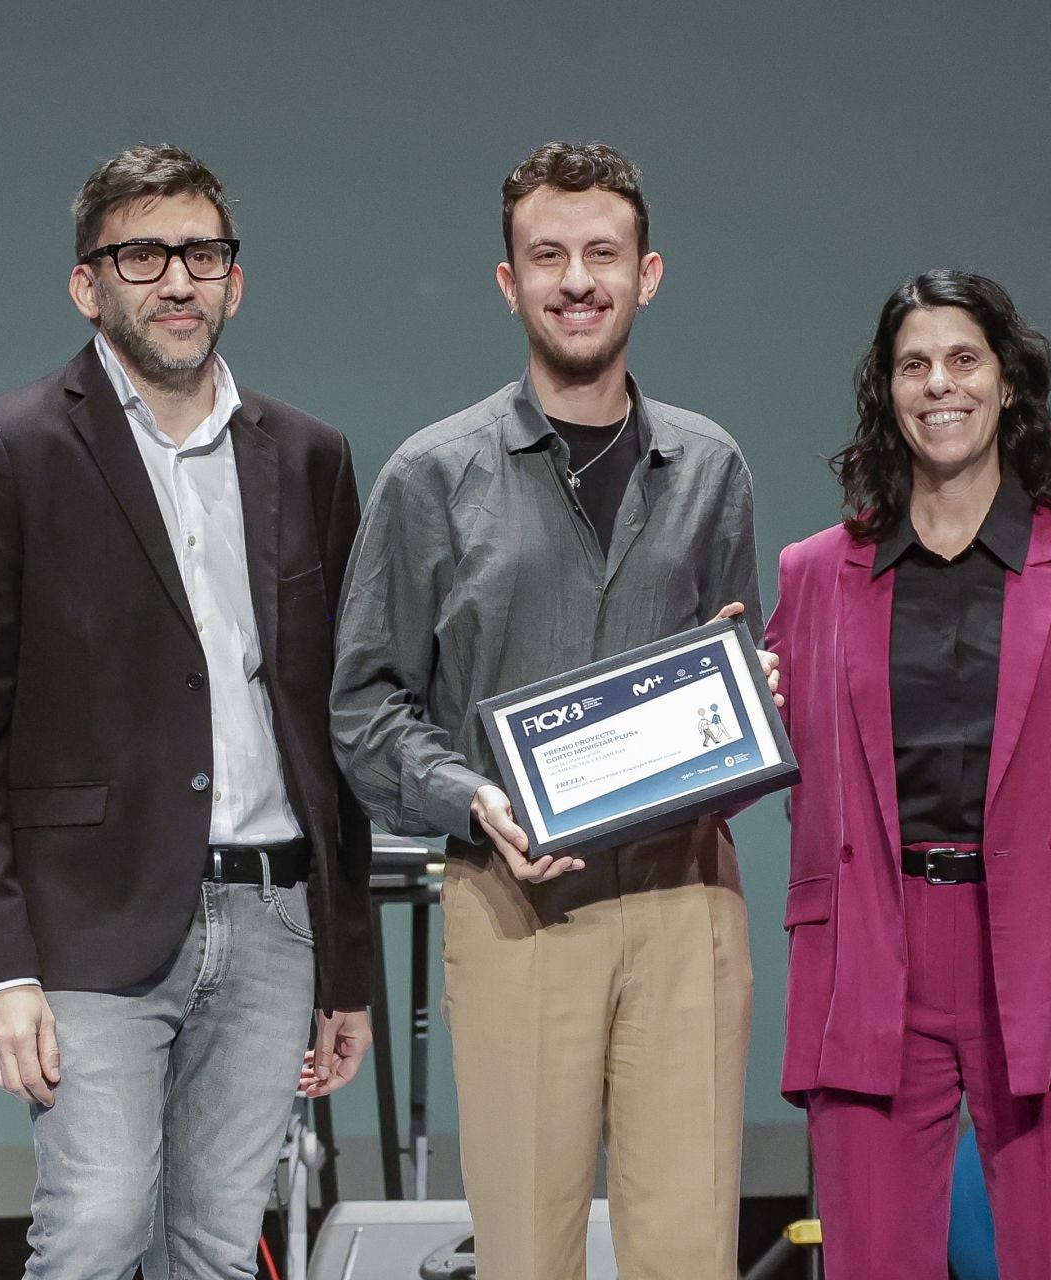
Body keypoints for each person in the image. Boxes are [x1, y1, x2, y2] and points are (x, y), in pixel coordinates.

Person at [0, 143, 374, 1280]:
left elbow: (334, 722)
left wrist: (347, 966)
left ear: (235, 280)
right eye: (143, 256)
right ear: (88, 284)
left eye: (202, 254)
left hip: (274, 914)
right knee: (96, 1227)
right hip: (89, 917)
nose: (177, 279)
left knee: (216, 1249)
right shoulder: (7, 448)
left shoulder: (309, 455)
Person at [331, 140, 761, 1280]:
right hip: (512, 901)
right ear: (508, 281)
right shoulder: (432, 475)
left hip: (684, 898)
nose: (578, 280)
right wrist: (474, 798)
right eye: (548, 256)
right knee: (525, 1254)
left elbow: (734, 672)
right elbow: (365, 709)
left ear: (647, 274)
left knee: (691, 1255)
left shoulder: (710, 467)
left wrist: (750, 705)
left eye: (603, 254)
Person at [763, 270, 1051, 1277]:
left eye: (964, 359)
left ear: (1007, 382)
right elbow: (760, 759)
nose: (939, 384)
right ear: (887, 390)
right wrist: (735, 703)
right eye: (913, 364)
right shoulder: (814, 574)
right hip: (872, 946)